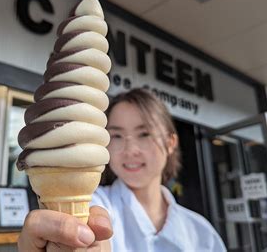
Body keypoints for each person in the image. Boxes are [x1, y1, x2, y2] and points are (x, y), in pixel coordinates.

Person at [18, 88, 226, 251]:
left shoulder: (202, 232)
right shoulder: (95, 206)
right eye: (116, 136)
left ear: (171, 142)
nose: (130, 150)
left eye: (144, 134)